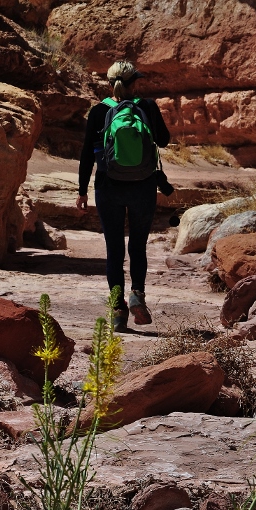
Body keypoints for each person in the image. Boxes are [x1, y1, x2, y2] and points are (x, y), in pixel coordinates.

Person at [76, 60, 170, 332]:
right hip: (142, 185)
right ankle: (137, 295)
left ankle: (118, 311)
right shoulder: (148, 106)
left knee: (114, 249)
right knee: (137, 246)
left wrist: (82, 192)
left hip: (108, 186)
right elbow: (163, 140)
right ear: (134, 83)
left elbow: (86, 155)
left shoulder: (98, 111)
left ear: (109, 83)